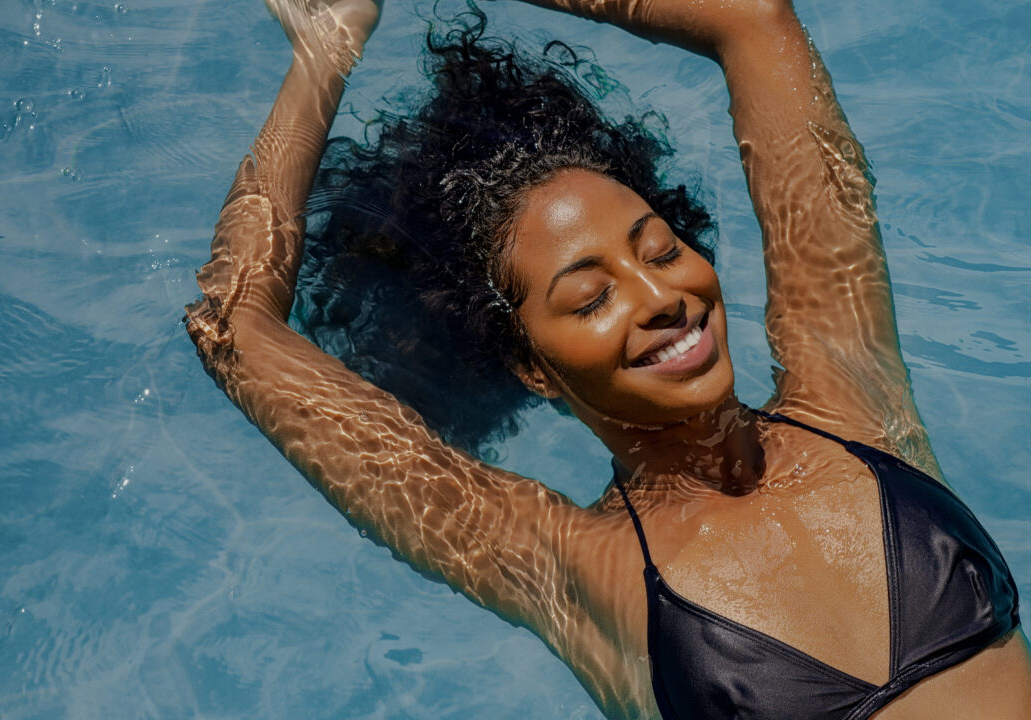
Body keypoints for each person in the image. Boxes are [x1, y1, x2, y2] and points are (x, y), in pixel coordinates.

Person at [184, 0, 1031, 716]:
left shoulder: (849, 396)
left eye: (662, 250)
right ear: (532, 368)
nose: (659, 296)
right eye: (589, 298)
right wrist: (325, 50)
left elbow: (751, 19)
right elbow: (233, 329)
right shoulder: (574, 564)